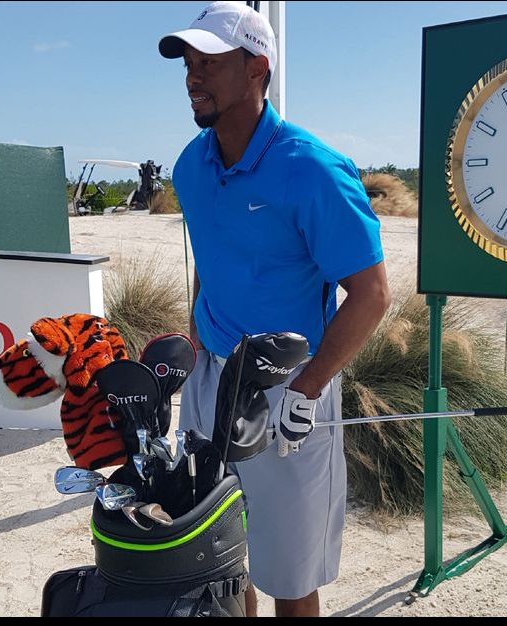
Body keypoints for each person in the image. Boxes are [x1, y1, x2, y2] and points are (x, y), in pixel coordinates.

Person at [158, 1, 390, 617]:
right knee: (218, 553)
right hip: (211, 385)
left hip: (289, 388)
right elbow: (211, 261)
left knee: (288, 572)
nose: (192, 75)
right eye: (188, 62)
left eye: (209, 60)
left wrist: (308, 391)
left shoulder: (311, 169)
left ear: (258, 67)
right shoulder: (190, 166)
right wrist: (195, 345)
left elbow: (370, 294)